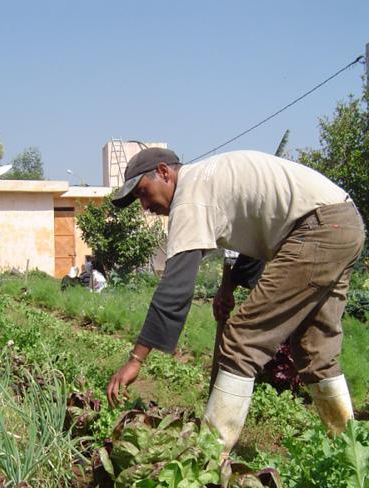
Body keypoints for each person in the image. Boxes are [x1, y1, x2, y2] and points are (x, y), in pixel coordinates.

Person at [106, 147, 365, 453]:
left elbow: (174, 288)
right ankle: (350, 451)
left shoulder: (189, 195)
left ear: (164, 172)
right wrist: (227, 287)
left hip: (316, 228)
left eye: (143, 193)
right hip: (344, 223)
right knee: (314, 350)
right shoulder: (211, 180)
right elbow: (255, 233)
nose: (145, 206)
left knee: (243, 337)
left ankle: (209, 455)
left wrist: (135, 360)